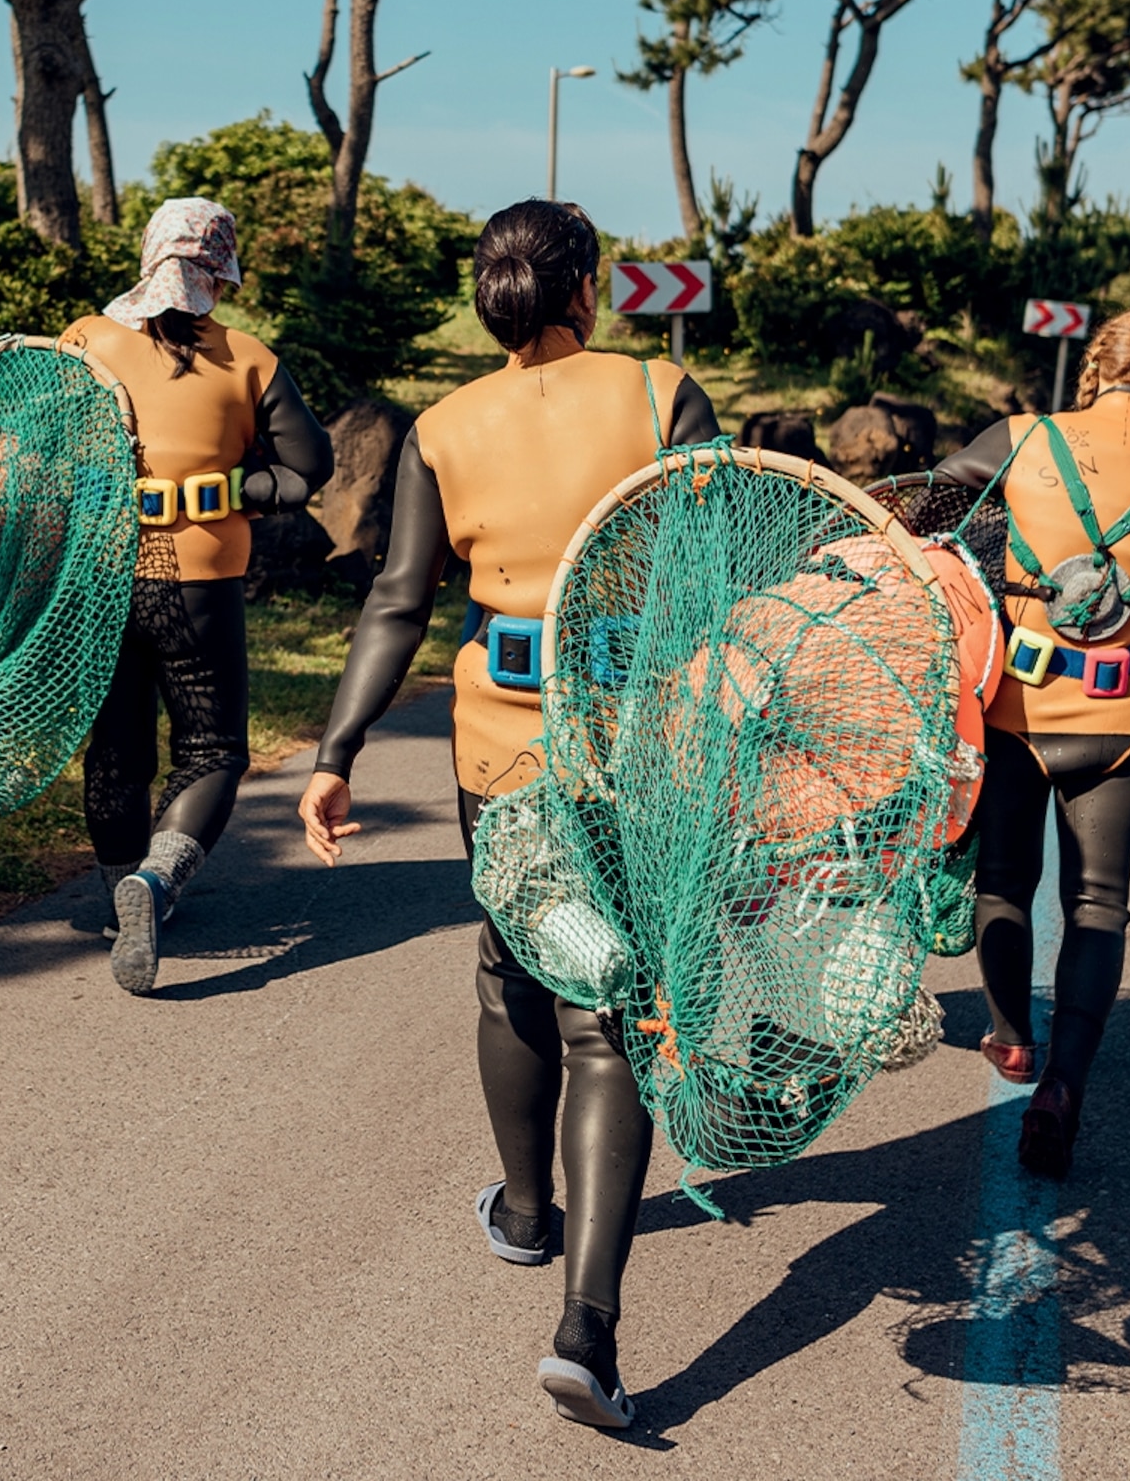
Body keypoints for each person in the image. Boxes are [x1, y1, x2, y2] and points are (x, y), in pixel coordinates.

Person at [296, 199, 719, 1431]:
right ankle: (588, 1327)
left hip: (502, 752)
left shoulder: (443, 426)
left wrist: (336, 751)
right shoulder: (661, 395)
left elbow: (397, 602)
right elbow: (724, 567)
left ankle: (527, 1212)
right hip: (639, 741)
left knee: (515, 972)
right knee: (613, 1010)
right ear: (589, 286)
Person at [929, 307, 1130, 1177]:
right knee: (1098, 906)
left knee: (1005, 881)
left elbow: (928, 512)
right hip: (1119, 720)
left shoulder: (1020, 438)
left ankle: (1010, 1040)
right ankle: (1064, 1088)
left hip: (1013, 712)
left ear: (1094, 369)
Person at [59, 198, 332, 997]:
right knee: (211, 750)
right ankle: (157, 882)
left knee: (117, 745)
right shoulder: (250, 360)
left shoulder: (87, 340)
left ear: (147, 259)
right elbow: (310, 466)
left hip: (102, 578)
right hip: (203, 583)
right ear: (221, 270)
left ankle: (120, 898)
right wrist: (241, 487)